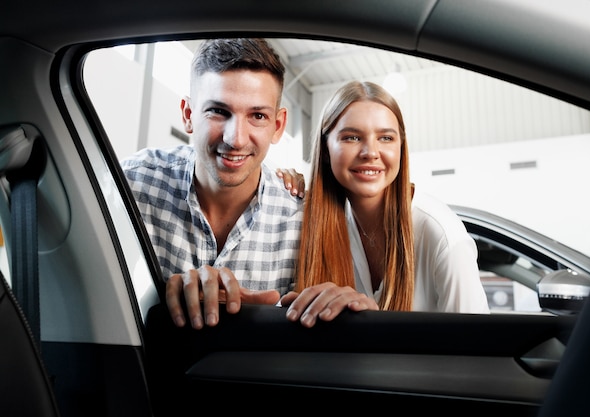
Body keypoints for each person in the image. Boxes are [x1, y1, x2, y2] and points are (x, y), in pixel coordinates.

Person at [122, 38, 376, 329]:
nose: (236, 139)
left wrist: (354, 316)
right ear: (188, 114)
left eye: (257, 116)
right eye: (218, 111)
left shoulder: (304, 222)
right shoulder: (131, 187)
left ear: (277, 126)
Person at [279, 80, 489, 318]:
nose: (370, 152)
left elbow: (474, 348)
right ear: (326, 150)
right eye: (352, 137)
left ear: (401, 146)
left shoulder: (443, 237)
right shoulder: (317, 222)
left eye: (386, 138)